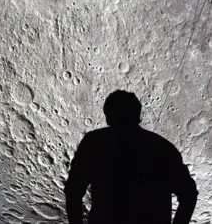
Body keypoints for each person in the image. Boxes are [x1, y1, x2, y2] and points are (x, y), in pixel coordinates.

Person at [64, 90, 198, 224]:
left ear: (108, 116)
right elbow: (189, 195)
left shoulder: (93, 142)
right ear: (138, 114)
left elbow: (73, 192)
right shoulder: (164, 148)